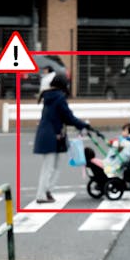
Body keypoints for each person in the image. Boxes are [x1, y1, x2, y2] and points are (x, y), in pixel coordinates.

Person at [33, 74, 89, 203]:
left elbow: (62, 117)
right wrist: (83, 125)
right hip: (52, 136)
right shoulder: (58, 98)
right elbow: (68, 117)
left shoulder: (50, 96)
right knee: (50, 166)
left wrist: (80, 124)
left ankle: (46, 191)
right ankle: (42, 194)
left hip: (50, 135)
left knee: (53, 166)